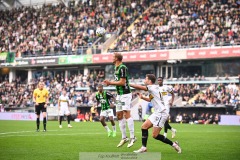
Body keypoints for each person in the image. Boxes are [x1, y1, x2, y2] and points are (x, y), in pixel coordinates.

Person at [130, 74, 181, 153]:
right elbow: (150, 99)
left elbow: (141, 87)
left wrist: (128, 84)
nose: (144, 80)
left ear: (149, 81)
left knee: (155, 135)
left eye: (146, 79)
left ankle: (174, 144)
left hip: (161, 113)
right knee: (144, 127)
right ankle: (143, 148)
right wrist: (142, 97)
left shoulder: (152, 87)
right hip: (157, 112)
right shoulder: (153, 89)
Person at [103, 52, 136, 148]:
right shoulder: (116, 68)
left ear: (117, 58)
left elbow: (122, 82)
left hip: (125, 94)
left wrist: (110, 83)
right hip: (119, 95)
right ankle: (124, 137)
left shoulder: (122, 68)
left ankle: (132, 137)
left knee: (126, 113)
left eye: (113, 57)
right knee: (119, 115)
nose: (111, 58)